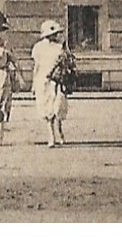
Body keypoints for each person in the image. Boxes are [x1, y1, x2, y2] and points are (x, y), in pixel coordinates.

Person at [31, 19, 70, 147]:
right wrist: (33, 83)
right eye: (52, 34)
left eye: (56, 34)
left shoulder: (60, 47)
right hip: (43, 80)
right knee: (47, 109)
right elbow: (36, 66)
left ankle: (59, 130)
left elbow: (66, 63)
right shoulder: (38, 47)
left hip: (57, 80)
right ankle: (51, 136)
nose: (54, 36)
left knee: (58, 106)